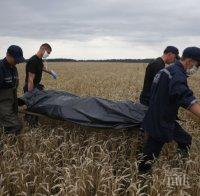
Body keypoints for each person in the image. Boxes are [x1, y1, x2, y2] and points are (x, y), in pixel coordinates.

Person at [138, 47, 200, 174]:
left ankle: (179, 167)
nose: (197, 69)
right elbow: (184, 96)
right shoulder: (176, 74)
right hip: (161, 121)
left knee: (185, 139)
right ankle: (142, 181)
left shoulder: (167, 70)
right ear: (189, 61)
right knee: (149, 157)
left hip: (161, 116)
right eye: (197, 65)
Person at [23, 43, 57, 126]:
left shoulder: (39, 60)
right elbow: (30, 79)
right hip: (31, 87)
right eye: (48, 53)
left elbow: (42, 67)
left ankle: (32, 119)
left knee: (36, 106)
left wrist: (51, 72)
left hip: (36, 86)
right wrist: (31, 93)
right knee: (32, 106)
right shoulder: (33, 61)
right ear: (42, 49)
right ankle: (30, 123)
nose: (48, 55)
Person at [0, 45, 25, 134]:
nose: (17, 62)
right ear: (8, 55)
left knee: (18, 125)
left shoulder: (13, 68)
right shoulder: (1, 68)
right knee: (16, 127)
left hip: (11, 104)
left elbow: (13, 88)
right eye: (16, 59)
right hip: (2, 106)